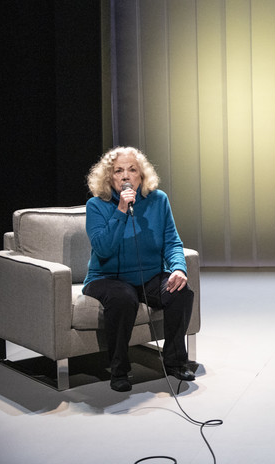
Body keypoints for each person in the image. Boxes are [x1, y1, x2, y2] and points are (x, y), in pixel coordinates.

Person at [83, 146, 196, 391]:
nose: (125, 176)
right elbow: (103, 249)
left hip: (149, 276)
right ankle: (119, 370)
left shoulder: (159, 200)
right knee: (124, 298)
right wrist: (121, 210)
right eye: (118, 171)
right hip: (106, 278)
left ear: (142, 175)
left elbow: (172, 241)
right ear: (109, 177)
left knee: (181, 292)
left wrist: (178, 269)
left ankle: (175, 362)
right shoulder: (96, 205)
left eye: (132, 170)